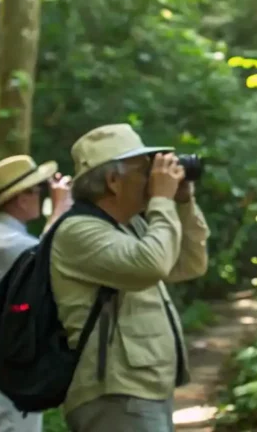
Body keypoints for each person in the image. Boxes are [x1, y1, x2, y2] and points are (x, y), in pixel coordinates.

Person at [50, 123, 210, 432]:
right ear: (113, 181)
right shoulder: (78, 230)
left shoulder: (127, 225)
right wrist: (162, 200)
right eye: (144, 170)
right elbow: (151, 265)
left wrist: (183, 201)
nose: (153, 179)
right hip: (114, 394)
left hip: (141, 389)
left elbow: (189, 264)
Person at [0, 155, 73, 432]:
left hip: (5, 361)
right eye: (37, 191)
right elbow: (46, 260)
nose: (42, 196)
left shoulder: (3, 236)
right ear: (21, 199)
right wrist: (59, 209)